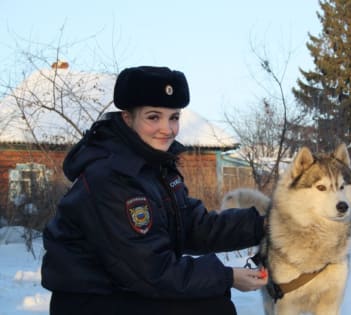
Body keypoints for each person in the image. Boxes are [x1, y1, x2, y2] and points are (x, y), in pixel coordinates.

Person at [41, 66, 268, 315]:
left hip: (124, 289)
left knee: (212, 302)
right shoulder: (112, 177)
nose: (167, 129)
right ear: (128, 119)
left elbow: (193, 226)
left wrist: (263, 225)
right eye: (153, 117)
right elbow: (152, 271)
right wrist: (227, 276)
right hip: (90, 301)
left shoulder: (155, 167)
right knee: (211, 308)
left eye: (174, 117)